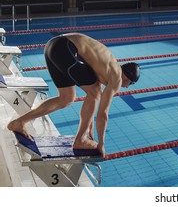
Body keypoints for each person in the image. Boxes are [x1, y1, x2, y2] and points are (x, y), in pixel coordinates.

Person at [7, 33, 140, 157]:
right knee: (95, 93)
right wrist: (101, 143)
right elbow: (103, 114)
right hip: (65, 48)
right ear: (128, 78)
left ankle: (19, 122)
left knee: (66, 98)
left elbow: (92, 98)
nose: (127, 87)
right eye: (131, 84)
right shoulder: (116, 78)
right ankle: (80, 140)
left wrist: (89, 122)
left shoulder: (107, 66)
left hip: (54, 46)